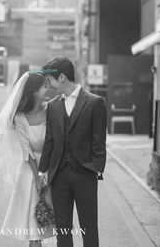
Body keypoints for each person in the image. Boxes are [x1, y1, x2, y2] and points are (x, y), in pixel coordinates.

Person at [38, 57, 107, 247]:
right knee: (63, 230)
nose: (48, 85)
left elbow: (99, 141)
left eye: (49, 80)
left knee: (89, 227)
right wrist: (42, 170)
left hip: (85, 175)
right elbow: (49, 142)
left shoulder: (95, 102)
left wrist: (96, 168)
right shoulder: (53, 106)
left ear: (61, 77)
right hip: (59, 176)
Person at [0, 72, 54, 247]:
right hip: (30, 172)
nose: (49, 89)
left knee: (49, 222)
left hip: (52, 169)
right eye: (45, 86)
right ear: (33, 91)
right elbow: (27, 151)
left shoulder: (52, 111)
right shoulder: (19, 117)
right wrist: (38, 177)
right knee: (33, 228)